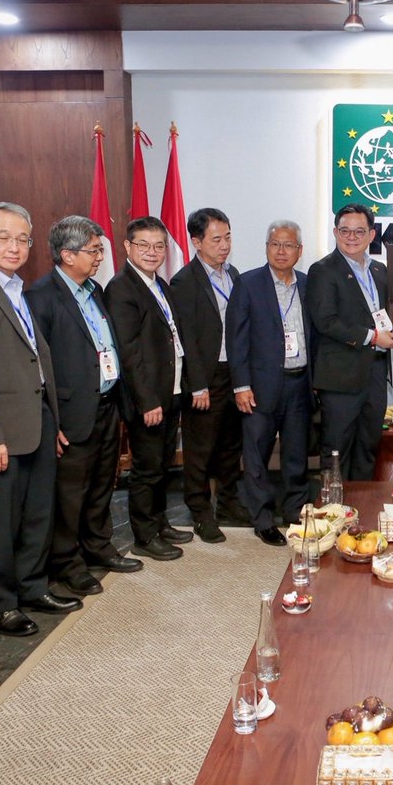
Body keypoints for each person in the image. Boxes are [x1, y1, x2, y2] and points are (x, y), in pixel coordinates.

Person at [0, 202, 79, 637]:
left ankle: (31, 587)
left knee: (36, 515)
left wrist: (53, 422)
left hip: (37, 424)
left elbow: (35, 361)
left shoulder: (15, 289)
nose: (14, 246)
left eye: (22, 238)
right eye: (3, 237)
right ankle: (0, 603)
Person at [26, 215, 143, 594]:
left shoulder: (94, 290)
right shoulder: (41, 298)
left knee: (100, 485)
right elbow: (37, 368)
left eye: (99, 250)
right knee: (69, 494)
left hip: (106, 405)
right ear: (66, 254)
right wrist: (50, 421)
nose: (99, 257)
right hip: (70, 412)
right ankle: (66, 562)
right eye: (93, 250)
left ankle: (98, 546)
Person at [104, 216, 187, 562]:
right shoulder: (122, 288)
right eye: (144, 245)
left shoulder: (159, 284)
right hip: (149, 398)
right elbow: (130, 351)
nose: (152, 252)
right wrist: (147, 401)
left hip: (172, 390)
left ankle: (160, 521)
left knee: (163, 464)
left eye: (158, 245)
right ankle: (144, 535)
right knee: (147, 467)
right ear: (127, 247)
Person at [227, 220, 314, 546]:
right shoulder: (248, 284)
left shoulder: (307, 284)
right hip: (259, 387)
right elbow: (235, 340)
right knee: (257, 457)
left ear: (299, 251)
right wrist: (241, 385)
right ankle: (263, 520)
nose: (281, 250)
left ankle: (296, 514)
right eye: (275, 244)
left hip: (299, 384)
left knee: (296, 456)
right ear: (266, 248)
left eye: (288, 245)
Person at [169, 208, 249, 542]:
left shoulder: (235, 275)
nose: (224, 245)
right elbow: (185, 338)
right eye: (216, 239)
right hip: (206, 375)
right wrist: (197, 384)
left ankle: (229, 502)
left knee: (231, 446)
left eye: (228, 236)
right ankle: (200, 512)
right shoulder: (185, 281)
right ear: (196, 242)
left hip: (236, 372)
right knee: (201, 449)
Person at [306, 203, 393, 480]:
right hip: (340, 378)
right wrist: (372, 337)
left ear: (372, 235)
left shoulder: (380, 271)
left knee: (368, 447)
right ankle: (334, 515)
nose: (351, 237)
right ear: (335, 232)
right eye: (345, 230)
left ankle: (362, 512)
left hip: (375, 372)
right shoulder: (323, 270)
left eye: (359, 231)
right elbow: (326, 321)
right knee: (336, 451)